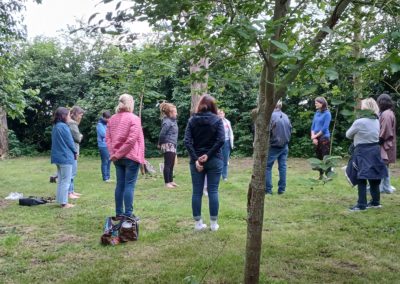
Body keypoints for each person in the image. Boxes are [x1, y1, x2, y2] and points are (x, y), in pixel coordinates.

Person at [184, 95, 225, 231]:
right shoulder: (217, 120)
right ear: (213, 106)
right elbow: (221, 140)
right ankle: (214, 224)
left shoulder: (192, 120)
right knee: (213, 190)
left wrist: (196, 159)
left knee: (197, 192)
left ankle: (198, 224)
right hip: (214, 159)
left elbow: (187, 141)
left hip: (197, 160)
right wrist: (208, 155)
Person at [106, 94, 145, 218]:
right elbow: (132, 140)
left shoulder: (112, 119)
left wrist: (114, 154)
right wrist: (118, 154)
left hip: (117, 158)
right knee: (129, 185)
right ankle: (128, 214)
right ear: (130, 103)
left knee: (120, 185)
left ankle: (119, 213)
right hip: (131, 156)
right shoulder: (134, 119)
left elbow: (108, 139)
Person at [346, 98, 387, 211]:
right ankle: (375, 202)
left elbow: (348, 135)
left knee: (361, 177)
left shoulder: (360, 121)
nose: (360, 107)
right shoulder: (376, 120)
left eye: (362, 106)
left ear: (366, 108)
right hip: (375, 150)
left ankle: (361, 204)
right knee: (374, 176)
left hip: (362, 151)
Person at [51, 107, 77, 208]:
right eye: (69, 114)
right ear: (63, 116)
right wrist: (75, 151)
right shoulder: (64, 127)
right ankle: (64, 203)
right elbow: (70, 141)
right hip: (65, 156)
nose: (70, 116)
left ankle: (60, 200)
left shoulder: (55, 126)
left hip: (57, 157)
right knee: (66, 180)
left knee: (61, 180)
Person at [265, 100, 292, 195]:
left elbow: (267, 131)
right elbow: (290, 129)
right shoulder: (285, 116)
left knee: (267, 167)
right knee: (283, 167)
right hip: (285, 145)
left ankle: (268, 190)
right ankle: (282, 190)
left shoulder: (270, 116)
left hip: (274, 145)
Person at [377, 93, 397, 194]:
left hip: (385, 144)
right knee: (384, 165)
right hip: (387, 143)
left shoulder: (386, 114)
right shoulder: (388, 112)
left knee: (382, 165)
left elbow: (385, 131)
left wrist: (378, 141)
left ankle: (382, 187)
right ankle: (386, 186)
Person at [158, 102, 179, 188]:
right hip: (167, 144)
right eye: (175, 112)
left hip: (172, 144)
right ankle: (167, 183)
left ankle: (171, 181)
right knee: (168, 163)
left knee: (171, 164)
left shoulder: (173, 121)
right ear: (170, 113)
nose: (176, 113)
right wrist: (159, 143)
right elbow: (162, 134)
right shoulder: (167, 122)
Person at [310, 97, 332, 179]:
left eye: (317, 103)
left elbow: (324, 128)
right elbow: (312, 126)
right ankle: (321, 175)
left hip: (324, 138)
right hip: (316, 138)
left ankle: (329, 175)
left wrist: (315, 136)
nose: (315, 104)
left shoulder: (327, 114)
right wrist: (313, 138)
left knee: (325, 157)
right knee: (318, 157)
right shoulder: (317, 113)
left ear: (322, 103)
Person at [68, 106, 85, 199]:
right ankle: (69, 192)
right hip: (73, 150)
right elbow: (78, 138)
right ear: (75, 114)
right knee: (71, 172)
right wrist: (81, 135)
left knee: (73, 171)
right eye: (80, 115)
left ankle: (72, 191)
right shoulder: (72, 124)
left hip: (73, 150)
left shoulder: (72, 123)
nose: (81, 117)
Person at [217, 109, 234, 181]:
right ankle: (217, 175)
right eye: (219, 113)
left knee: (225, 160)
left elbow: (231, 133)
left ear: (224, 114)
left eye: (222, 113)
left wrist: (231, 143)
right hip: (218, 143)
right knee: (218, 159)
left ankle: (224, 176)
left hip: (226, 142)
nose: (220, 115)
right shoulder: (215, 122)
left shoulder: (227, 122)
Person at [97, 110, 112, 182]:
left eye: (109, 118)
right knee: (105, 161)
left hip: (109, 145)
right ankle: (105, 178)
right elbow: (103, 134)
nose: (108, 119)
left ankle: (108, 177)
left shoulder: (108, 124)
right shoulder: (99, 124)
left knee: (109, 161)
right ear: (103, 117)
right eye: (107, 118)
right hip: (103, 146)